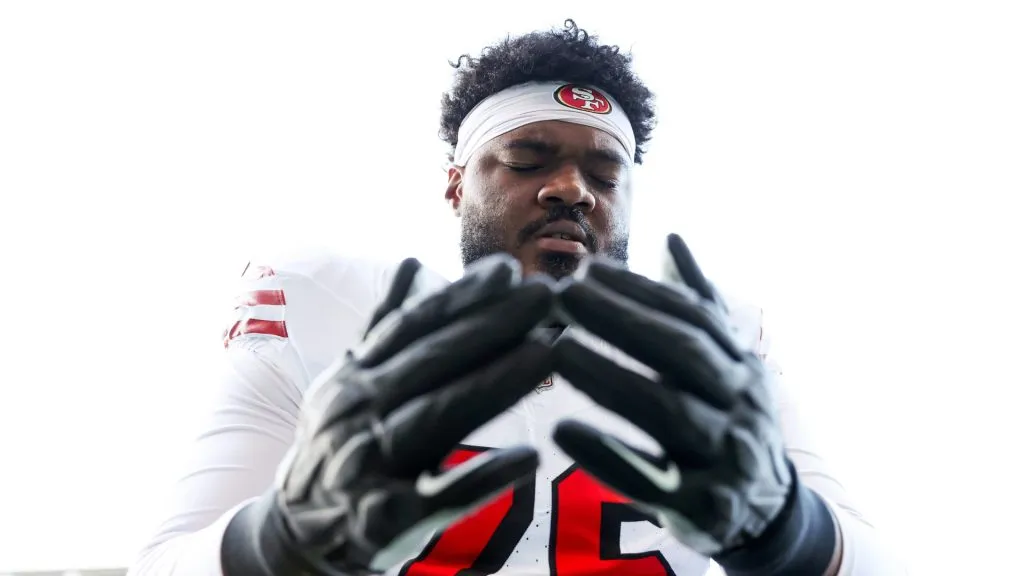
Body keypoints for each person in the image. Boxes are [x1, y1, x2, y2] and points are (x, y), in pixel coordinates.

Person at [128, 20, 904, 576]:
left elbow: (877, 562)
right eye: (528, 158)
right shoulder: (326, 309)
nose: (571, 189)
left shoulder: (714, 342)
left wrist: (785, 529)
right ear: (457, 185)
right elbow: (162, 564)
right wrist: (281, 538)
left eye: (605, 175)